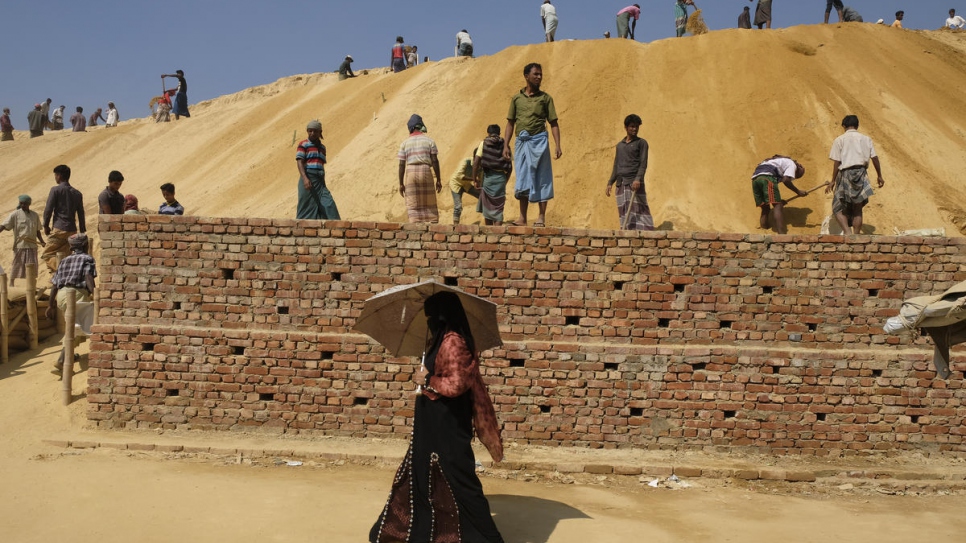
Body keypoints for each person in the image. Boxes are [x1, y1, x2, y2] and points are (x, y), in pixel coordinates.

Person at [368, 291, 504, 543]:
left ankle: (485, 537)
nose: (429, 320)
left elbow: (457, 384)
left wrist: (427, 380)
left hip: (447, 424)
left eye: (432, 315)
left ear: (443, 316)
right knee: (423, 470)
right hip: (432, 421)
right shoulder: (440, 339)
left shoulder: (453, 341)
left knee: (456, 475)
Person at [503, 63, 562, 227]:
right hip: (521, 143)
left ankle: (541, 217)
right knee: (523, 178)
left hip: (540, 142)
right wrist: (505, 145)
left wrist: (558, 145)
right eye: (536, 74)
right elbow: (510, 123)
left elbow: (554, 123)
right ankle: (522, 218)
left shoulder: (546, 98)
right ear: (526, 76)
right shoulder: (516, 99)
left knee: (542, 177)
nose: (539, 77)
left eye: (540, 74)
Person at [46, 233, 96, 377]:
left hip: (62, 296)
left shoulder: (64, 260)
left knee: (72, 325)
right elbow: (88, 277)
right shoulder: (87, 259)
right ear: (85, 245)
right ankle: (61, 361)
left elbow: (55, 284)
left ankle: (70, 355)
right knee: (77, 328)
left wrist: (50, 305)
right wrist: (95, 292)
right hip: (76, 294)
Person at [825, 115, 885, 235]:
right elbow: (875, 158)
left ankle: (848, 232)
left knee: (837, 207)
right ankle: (856, 235)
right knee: (857, 208)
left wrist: (833, 181)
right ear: (857, 126)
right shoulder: (866, 139)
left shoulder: (839, 140)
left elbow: (837, 162)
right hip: (861, 174)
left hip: (845, 174)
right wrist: (879, 176)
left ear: (844, 126)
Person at [606, 114, 653, 231]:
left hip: (634, 183)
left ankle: (646, 236)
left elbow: (643, 164)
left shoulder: (642, 143)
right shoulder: (619, 146)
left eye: (636, 127)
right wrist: (610, 182)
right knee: (624, 212)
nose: (634, 129)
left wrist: (638, 179)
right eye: (632, 126)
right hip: (621, 183)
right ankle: (627, 236)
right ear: (626, 127)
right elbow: (616, 165)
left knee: (640, 210)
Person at [398, 114, 442, 223]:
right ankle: (433, 224)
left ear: (410, 128)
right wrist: (439, 180)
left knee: (413, 202)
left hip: (411, 173)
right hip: (426, 171)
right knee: (430, 201)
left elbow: (401, 165)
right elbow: (435, 161)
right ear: (421, 126)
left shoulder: (404, 143)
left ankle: (415, 226)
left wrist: (401, 183)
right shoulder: (429, 141)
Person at [41, 165, 85, 273]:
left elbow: (48, 209)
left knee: (47, 254)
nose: (55, 178)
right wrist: (82, 229)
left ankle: (62, 272)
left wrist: (46, 226)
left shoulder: (55, 190)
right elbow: (81, 212)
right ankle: (57, 280)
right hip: (72, 230)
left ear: (59, 176)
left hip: (59, 228)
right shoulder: (77, 193)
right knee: (64, 256)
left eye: (55, 175)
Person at [295, 120, 341, 221]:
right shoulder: (303, 144)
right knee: (306, 207)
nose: (312, 133)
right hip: (308, 178)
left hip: (320, 181)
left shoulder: (322, 148)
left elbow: (321, 165)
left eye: (315, 131)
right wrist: (305, 179)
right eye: (310, 131)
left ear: (320, 132)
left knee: (328, 204)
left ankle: (337, 229)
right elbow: (299, 162)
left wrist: (322, 182)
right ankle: (301, 231)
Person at [751, 155, 807, 235]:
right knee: (777, 206)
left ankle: (763, 232)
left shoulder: (776, 162)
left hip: (755, 180)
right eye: (797, 175)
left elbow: (771, 190)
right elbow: (786, 180)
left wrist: (779, 200)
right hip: (767, 177)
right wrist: (798, 192)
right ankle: (782, 235)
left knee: (765, 208)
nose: (794, 177)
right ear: (799, 166)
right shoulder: (792, 164)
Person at [0, 195, 46, 286]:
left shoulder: (34, 215)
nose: (23, 205)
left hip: (32, 245)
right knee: (17, 264)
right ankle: (11, 283)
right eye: (21, 203)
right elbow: (4, 225)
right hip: (20, 245)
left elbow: (37, 231)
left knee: (32, 266)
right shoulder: (15, 214)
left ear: (29, 204)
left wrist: (42, 241)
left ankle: (31, 284)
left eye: (25, 204)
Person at [473, 125, 513, 226]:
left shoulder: (484, 143)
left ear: (488, 133)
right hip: (501, 179)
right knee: (498, 208)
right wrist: (505, 180)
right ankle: (497, 234)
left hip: (488, 178)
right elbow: (510, 167)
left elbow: (476, 163)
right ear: (499, 133)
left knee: (487, 208)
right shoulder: (505, 145)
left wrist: (475, 179)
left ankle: (489, 235)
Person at [449, 154, 480, 225]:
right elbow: (460, 176)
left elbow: (480, 178)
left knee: (482, 195)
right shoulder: (466, 161)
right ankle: (455, 226)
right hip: (456, 184)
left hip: (466, 185)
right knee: (458, 206)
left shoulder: (481, 166)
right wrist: (474, 179)